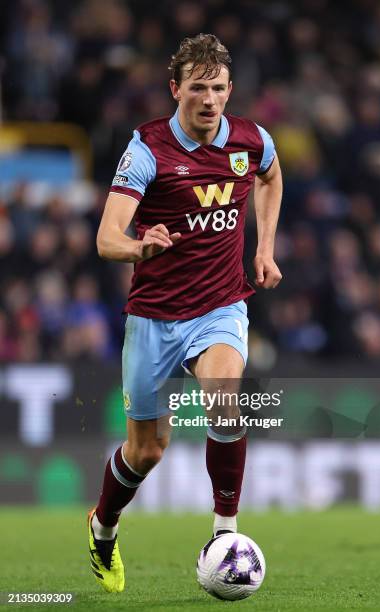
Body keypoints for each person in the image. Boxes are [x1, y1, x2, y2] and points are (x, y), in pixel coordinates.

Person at [88, 33, 283, 593]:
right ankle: (103, 527)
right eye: (198, 88)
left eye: (219, 88)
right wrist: (139, 246)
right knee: (147, 449)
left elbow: (270, 175)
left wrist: (263, 247)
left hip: (220, 305)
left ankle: (225, 532)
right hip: (153, 316)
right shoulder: (147, 150)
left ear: (230, 91)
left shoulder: (251, 140)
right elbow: (106, 238)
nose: (210, 100)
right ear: (175, 90)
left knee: (226, 394)